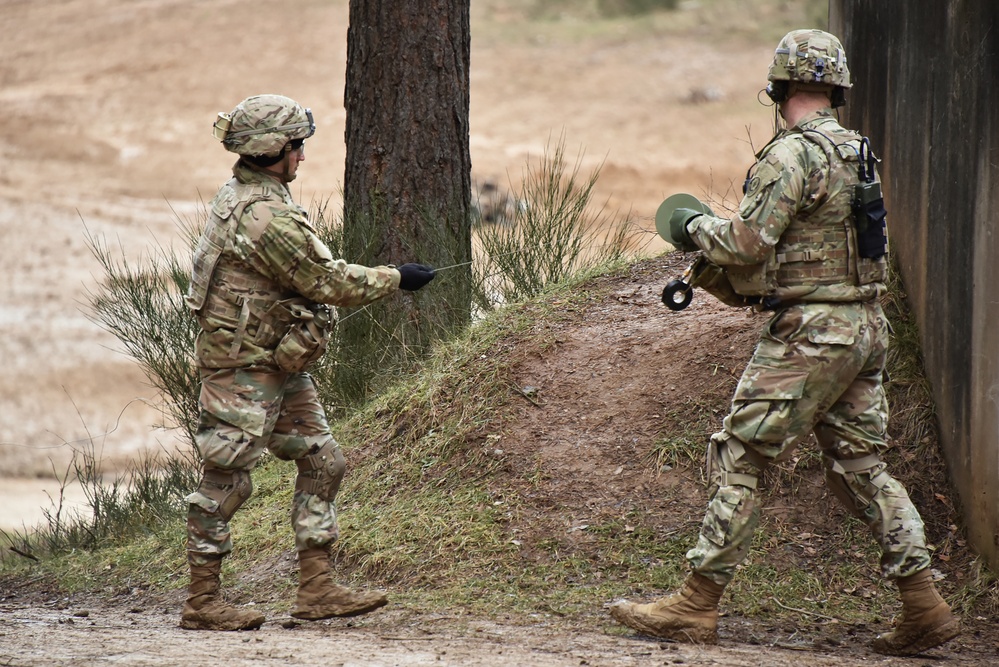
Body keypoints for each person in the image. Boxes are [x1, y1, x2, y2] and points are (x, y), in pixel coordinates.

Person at [610, 30, 961, 657]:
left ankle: (695, 604)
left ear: (777, 87)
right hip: (863, 328)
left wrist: (692, 225)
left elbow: (747, 244)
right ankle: (924, 603)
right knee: (862, 465)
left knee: (742, 455)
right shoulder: (859, 150)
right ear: (836, 88)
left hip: (809, 333)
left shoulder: (790, 155)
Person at [180, 94, 436, 631]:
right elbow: (327, 281)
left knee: (323, 460)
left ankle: (317, 589)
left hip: (274, 362)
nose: (302, 156)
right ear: (273, 150)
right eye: (297, 146)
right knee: (226, 481)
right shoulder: (266, 218)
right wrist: (398, 278)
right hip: (242, 369)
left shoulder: (246, 194)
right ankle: (202, 602)